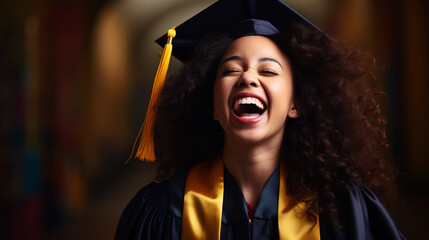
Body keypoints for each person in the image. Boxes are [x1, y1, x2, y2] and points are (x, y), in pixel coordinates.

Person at [115, 0, 405, 239]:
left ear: (296, 104)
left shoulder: (344, 210)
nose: (248, 78)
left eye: (268, 71)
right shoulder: (162, 210)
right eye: (231, 70)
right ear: (214, 106)